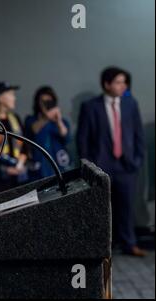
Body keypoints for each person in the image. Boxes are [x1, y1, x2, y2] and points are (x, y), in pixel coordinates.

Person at [77, 66, 146, 257]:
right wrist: (88, 165)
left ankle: (129, 243)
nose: (123, 85)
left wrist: (137, 160)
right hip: (101, 166)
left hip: (126, 166)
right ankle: (102, 246)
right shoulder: (91, 106)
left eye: (124, 82)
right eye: (118, 82)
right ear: (106, 84)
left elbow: (138, 134)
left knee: (126, 207)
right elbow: (83, 139)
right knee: (101, 208)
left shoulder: (130, 104)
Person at [0, 82, 28, 196]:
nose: (15, 98)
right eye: (11, 94)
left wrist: (19, 165)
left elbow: (25, 146)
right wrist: (8, 163)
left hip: (17, 178)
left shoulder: (15, 118)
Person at [24, 86, 71, 180]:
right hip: (39, 170)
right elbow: (33, 130)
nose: (46, 104)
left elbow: (66, 137)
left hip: (59, 166)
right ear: (38, 103)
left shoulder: (61, 122)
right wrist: (46, 117)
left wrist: (58, 120)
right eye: (43, 101)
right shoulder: (31, 120)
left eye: (49, 101)